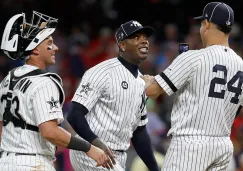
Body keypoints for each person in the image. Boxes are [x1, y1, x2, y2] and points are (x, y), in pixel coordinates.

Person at [0, 11, 110, 171]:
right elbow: (50, 131)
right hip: (32, 163)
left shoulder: (6, 80)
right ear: (35, 49)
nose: (56, 48)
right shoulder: (44, 81)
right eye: (49, 43)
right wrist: (89, 148)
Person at [142, 2, 241, 171]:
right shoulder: (240, 64)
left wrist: (145, 81)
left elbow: (152, 91)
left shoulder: (194, 57)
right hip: (223, 145)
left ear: (207, 24)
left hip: (190, 144)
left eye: (202, 23)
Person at [67, 20, 160, 171]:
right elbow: (74, 114)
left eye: (145, 37)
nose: (144, 41)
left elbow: (139, 133)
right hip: (91, 150)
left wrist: (155, 169)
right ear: (122, 45)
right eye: (136, 37)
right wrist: (96, 143)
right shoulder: (102, 72)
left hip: (118, 156)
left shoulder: (141, 82)